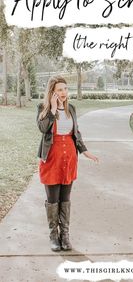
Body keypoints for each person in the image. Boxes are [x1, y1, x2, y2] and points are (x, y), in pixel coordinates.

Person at [36, 75, 99, 252]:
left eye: (65, 89)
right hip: (52, 157)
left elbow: (76, 133)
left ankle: (65, 235)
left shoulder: (71, 108)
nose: (63, 92)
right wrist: (54, 109)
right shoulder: (43, 108)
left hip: (69, 157)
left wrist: (85, 151)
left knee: (65, 198)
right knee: (53, 199)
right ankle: (53, 236)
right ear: (52, 93)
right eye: (59, 90)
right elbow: (42, 128)